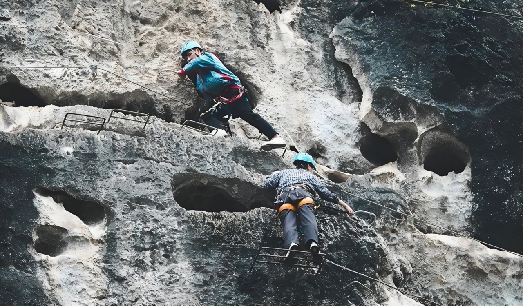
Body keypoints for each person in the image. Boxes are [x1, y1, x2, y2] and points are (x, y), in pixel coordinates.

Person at [175, 41, 286, 151]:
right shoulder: (201, 75)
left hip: (233, 92)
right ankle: (218, 131)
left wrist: (183, 70)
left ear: (197, 51)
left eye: (189, 54)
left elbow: (198, 61)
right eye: (186, 58)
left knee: (247, 115)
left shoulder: (207, 57)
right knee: (206, 113)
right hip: (225, 99)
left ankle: (275, 137)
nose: (188, 59)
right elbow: (205, 91)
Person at [263, 153, 354, 264]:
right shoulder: (310, 175)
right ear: (309, 166)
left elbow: (266, 185)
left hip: (285, 197)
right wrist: (345, 205)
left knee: (288, 221)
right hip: (303, 195)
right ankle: (312, 243)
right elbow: (325, 193)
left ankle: (292, 244)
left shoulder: (283, 172)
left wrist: (273, 175)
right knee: (308, 218)